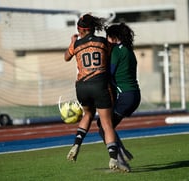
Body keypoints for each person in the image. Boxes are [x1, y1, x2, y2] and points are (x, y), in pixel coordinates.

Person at [64, 14, 130, 172]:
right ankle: (113, 158)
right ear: (93, 28)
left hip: (81, 86)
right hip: (100, 84)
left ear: (80, 30)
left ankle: (76, 145)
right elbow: (111, 52)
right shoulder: (102, 42)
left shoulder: (77, 44)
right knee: (107, 124)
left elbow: (66, 57)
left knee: (87, 115)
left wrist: (72, 43)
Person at [97, 22, 141, 170]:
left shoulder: (116, 51)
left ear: (114, 37)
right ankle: (122, 151)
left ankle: (121, 158)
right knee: (108, 125)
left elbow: (109, 73)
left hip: (125, 96)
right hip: (134, 94)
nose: (106, 39)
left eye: (108, 37)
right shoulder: (129, 50)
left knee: (103, 127)